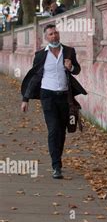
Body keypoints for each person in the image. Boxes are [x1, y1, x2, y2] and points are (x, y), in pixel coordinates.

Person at [20, 24, 87, 179]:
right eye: (51, 34)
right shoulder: (40, 55)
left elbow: (77, 69)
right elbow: (35, 78)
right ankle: (56, 166)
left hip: (64, 96)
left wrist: (70, 68)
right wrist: (25, 99)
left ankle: (58, 159)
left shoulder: (69, 51)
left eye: (56, 33)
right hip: (47, 96)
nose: (54, 36)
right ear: (46, 37)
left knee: (62, 131)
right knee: (53, 129)